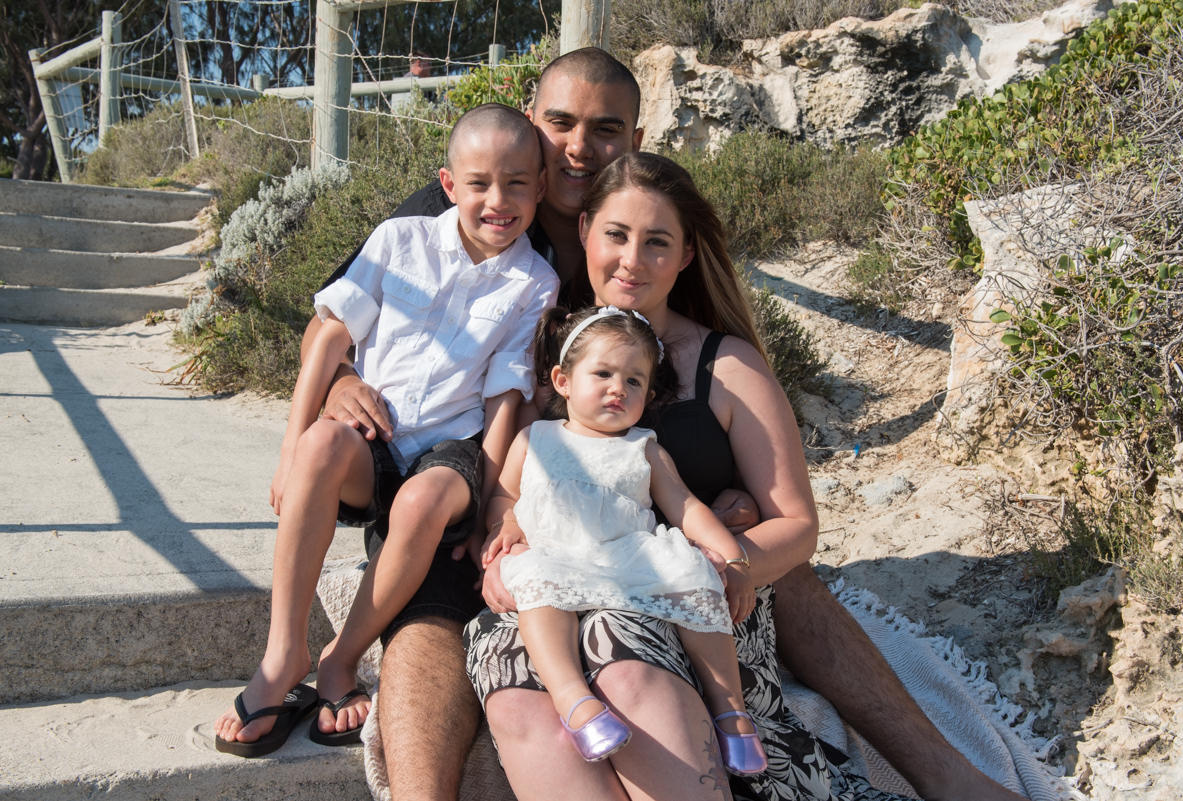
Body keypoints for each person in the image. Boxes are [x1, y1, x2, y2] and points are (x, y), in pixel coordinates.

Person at [314, 48, 1025, 801]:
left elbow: (792, 520)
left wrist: (722, 548)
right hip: (541, 553)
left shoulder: (715, 353)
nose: (578, 146)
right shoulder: (493, 242)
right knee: (456, 624)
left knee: (774, 593)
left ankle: (947, 774)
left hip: (673, 568)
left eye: (605, 128)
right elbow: (362, 327)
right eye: (560, 123)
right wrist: (344, 383)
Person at [212, 102, 558, 757]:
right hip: (372, 442)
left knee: (427, 497)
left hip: (448, 450)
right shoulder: (401, 242)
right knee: (321, 444)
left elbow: (507, 394)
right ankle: (285, 656)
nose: (499, 200)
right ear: (448, 184)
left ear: (540, 187)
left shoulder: (534, 281)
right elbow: (329, 340)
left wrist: (486, 501)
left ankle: (342, 659)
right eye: (479, 183)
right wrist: (291, 451)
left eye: (518, 183)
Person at [481, 305, 767, 773]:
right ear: (563, 381)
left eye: (634, 381)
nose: (619, 387)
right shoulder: (535, 438)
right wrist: (505, 524)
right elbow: (504, 494)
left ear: (648, 395)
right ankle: (575, 703)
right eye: (603, 373)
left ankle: (730, 709)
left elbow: (686, 507)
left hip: (627, 556)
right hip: (555, 553)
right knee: (534, 580)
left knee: (694, 571)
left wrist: (734, 560)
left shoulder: (644, 447)